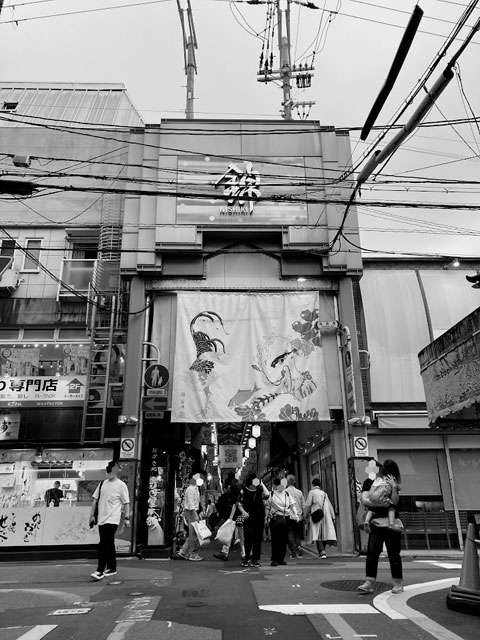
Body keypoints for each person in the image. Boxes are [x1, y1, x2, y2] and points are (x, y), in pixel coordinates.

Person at [358, 459, 404, 594]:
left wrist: (394, 487)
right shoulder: (372, 483)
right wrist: (385, 502)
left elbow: (394, 502)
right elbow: (367, 501)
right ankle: (371, 582)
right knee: (375, 552)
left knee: (389, 553)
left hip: (390, 523)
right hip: (378, 523)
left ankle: (395, 582)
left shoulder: (391, 484)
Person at [89, 460, 130, 580]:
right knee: (108, 543)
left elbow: (126, 503)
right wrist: (91, 516)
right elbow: (95, 500)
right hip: (101, 519)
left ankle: (100, 570)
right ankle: (112, 568)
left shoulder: (121, 485)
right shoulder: (103, 484)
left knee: (103, 544)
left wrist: (127, 518)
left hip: (112, 519)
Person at [214, 478, 248, 561]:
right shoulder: (243, 491)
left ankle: (226, 553)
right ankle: (243, 553)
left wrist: (231, 518)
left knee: (230, 534)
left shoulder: (235, 492)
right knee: (240, 536)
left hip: (237, 517)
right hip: (241, 517)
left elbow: (235, 504)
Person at [363, 460, 402, 533]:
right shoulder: (391, 478)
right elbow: (394, 502)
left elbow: (365, 501)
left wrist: (376, 503)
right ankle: (391, 523)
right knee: (391, 507)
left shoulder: (375, 480)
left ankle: (366, 521)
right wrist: (395, 487)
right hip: (379, 522)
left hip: (373, 498)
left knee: (371, 509)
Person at [266, 478, 298, 566]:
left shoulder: (287, 494)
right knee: (276, 539)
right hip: (275, 518)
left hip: (285, 518)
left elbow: (292, 505)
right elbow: (268, 507)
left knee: (283, 539)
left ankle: (281, 558)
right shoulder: (271, 494)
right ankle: (275, 559)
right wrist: (266, 517)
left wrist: (296, 515)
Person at [240, 474, 269, 567]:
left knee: (257, 538)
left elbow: (267, 495)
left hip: (259, 517)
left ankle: (254, 559)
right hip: (249, 517)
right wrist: (244, 512)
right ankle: (247, 558)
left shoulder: (259, 491)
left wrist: (262, 484)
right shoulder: (244, 490)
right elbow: (238, 503)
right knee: (249, 538)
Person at [304, 478, 336, 558]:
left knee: (317, 533)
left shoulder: (311, 492)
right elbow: (329, 505)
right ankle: (323, 550)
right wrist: (333, 516)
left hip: (316, 513)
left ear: (313, 484)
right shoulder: (324, 493)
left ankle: (322, 551)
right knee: (324, 533)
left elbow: (308, 505)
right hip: (325, 514)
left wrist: (305, 514)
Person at [176, 475, 203, 562]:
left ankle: (183, 551)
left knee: (193, 533)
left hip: (192, 512)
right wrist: (195, 514)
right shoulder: (191, 489)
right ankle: (192, 554)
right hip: (191, 512)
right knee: (193, 534)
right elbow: (191, 503)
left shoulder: (195, 488)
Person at [285, 474, 305, 559]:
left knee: (290, 533)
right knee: (297, 533)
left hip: (289, 516)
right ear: (294, 482)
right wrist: (304, 515)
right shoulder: (299, 492)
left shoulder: (285, 492)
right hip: (298, 516)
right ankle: (299, 546)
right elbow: (303, 505)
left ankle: (293, 552)